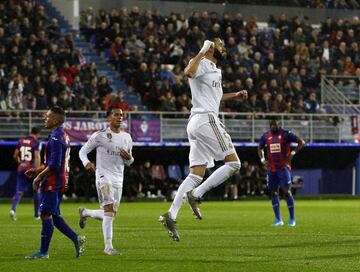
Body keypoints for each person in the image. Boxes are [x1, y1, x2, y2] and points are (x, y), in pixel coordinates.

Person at [159, 38, 248, 241]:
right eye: (220, 45)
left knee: (196, 174)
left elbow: (214, 96)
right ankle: (196, 195)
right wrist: (201, 51)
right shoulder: (201, 61)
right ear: (211, 49)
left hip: (197, 121)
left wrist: (234, 95)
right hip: (205, 118)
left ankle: (171, 213)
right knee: (234, 163)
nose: (224, 48)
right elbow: (188, 73)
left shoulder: (215, 69)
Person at [24, 106, 85, 259]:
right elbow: (51, 163)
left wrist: (39, 178)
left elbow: (55, 166)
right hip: (59, 180)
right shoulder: (60, 135)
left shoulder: (57, 137)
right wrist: (37, 170)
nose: (45, 118)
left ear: (56, 120)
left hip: (53, 181)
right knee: (54, 215)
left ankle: (43, 252)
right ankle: (76, 238)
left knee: (45, 214)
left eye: (48, 116)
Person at [78, 107, 134, 255]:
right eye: (116, 115)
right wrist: (86, 163)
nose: (120, 117)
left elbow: (129, 161)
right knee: (109, 210)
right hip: (103, 176)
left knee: (110, 213)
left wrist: (129, 158)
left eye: (121, 115)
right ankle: (108, 247)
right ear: (109, 117)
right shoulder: (100, 135)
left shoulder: (127, 137)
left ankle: (86, 212)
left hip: (119, 178)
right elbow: (82, 151)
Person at [257, 118, 304, 227]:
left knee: (286, 191)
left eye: (276, 124)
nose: (273, 126)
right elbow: (260, 148)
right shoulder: (265, 136)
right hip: (272, 169)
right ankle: (278, 219)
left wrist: (292, 153)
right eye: (272, 124)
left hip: (283, 167)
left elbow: (301, 142)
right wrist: (263, 160)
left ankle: (292, 219)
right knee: (273, 192)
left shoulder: (286, 134)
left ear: (280, 124)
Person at [10, 127, 41, 221]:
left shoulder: (21, 141)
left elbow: (15, 155)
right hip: (31, 169)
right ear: (38, 134)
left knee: (19, 191)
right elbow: (36, 157)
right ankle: (36, 215)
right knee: (36, 191)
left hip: (21, 168)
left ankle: (13, 209)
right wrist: (36, 169)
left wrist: (21, 163)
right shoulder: (36, 142)